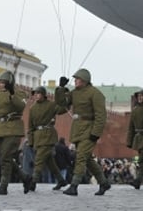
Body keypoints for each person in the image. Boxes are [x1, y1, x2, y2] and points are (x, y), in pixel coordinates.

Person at [55, 68, 112, 196]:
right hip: (78, 129)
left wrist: (95, 133)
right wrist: (61, 88)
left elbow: (101, 115)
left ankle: (74, 186)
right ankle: (103, 183)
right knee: (87, 159)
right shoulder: (74, 93)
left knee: (80, 156)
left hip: (89, 129)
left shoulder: (95, 93)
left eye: (77, 79)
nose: (75, 81)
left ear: (85, 80)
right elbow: (62, 103)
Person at [0, 70, 32, 195]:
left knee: (5, 157)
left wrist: (12, 94)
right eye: (0, 82)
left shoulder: (19, 93)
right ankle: (25, 178)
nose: (1, 85)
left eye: (4, 82)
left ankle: (3, 186)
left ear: (10, 83)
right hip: (0, 129)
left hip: (13, 128)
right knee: (4, 158)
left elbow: (20, 106)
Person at [26, 85, 68, 192]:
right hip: (38, 137)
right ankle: (61, 180)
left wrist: (61, 93)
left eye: (38, 93)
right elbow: (30, 127)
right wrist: (31, 141)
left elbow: (62, 109)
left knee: (39, 160)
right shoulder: (32, 108)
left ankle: (33, 182)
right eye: (35, 94)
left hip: (48, 136)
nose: (36, 95)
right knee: (50, 162)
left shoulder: (51, 105)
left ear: (44, 95)